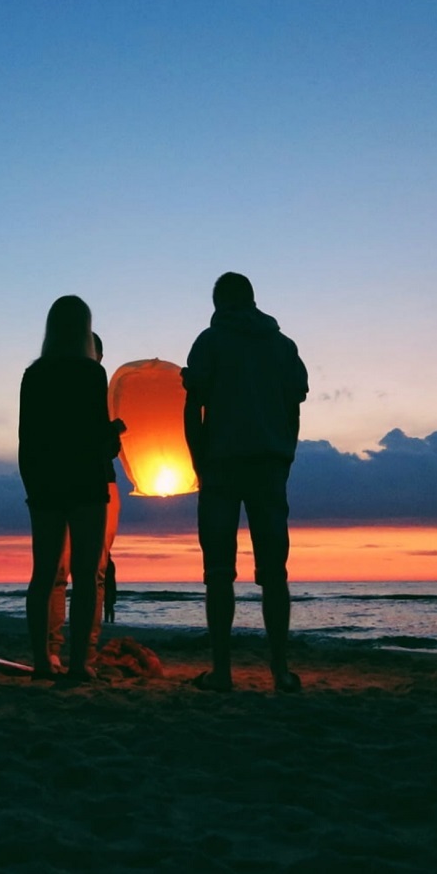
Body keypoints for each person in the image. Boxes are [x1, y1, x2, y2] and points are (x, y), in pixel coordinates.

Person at [182, 272, 308, 693]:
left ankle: (222, 671)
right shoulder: (282, 345)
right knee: (274, 572)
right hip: (270, 465)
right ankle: (280, 670)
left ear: (219, 303)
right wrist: (285, 452)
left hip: (220, 465)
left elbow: (192, 408)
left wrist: (199, 462)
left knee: (218, 572)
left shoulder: (210, 341)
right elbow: (294, 407)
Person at [19, 296, 124, 683]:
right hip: (86, 481)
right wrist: (115, 434)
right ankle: (79, 663)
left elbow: (25, 439)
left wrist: (31, 482)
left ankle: (43, 661)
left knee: (43, 574)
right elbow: (98, 438)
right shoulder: (91, 375)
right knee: (84, 573)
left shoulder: (34, 375)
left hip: (45, 483)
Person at [47, 332, 122, 670]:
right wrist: (111, 433)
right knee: (67, 571)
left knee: (85, 572)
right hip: (76, 483)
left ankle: (78, 652)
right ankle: (63, 651)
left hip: (93, 482)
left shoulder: (103, 393)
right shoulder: (54, 387)